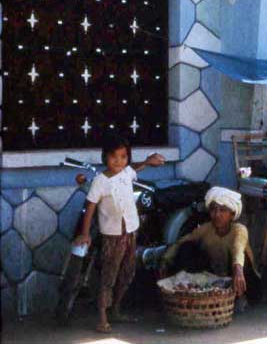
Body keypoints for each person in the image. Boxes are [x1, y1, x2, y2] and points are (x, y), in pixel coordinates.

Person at [72, 135, 165, 333]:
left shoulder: (126, 173)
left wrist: (149, 162)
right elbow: (90, 207)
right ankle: (103, 317)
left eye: (123, 157)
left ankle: (116, 309)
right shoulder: (100, 181)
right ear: (105, 157)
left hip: (130, 232)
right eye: (114, 157)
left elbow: (135, 168)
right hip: (112, 236)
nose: (119, 161)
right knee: (109, 276)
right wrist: (85, 233)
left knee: (128, 272)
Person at [160, 187, 251, 304]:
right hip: (214, 276)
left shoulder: (239, 230)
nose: (217, 214)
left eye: (223, 210)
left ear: (232, 214)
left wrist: (238, 270)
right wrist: (164, 261)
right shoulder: (206, 228)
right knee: (186, 247)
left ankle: (240, 296)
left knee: (242, 260)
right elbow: (181, 242)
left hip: (239, 275)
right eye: (213, 209)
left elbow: (238, 249)